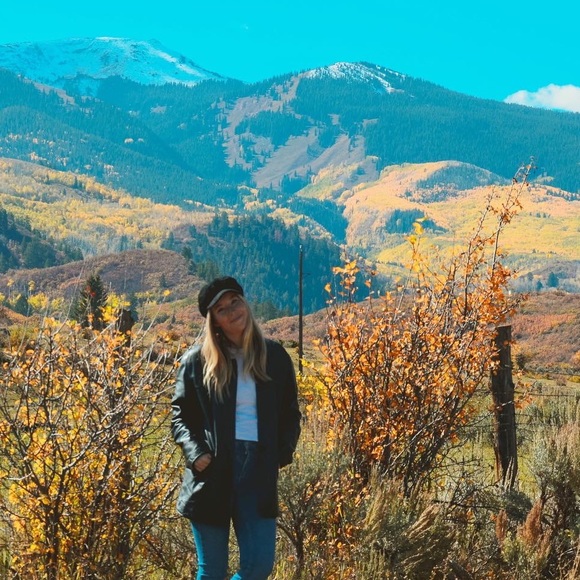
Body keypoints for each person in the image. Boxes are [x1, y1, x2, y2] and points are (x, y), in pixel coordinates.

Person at [171, 276, 301, 579]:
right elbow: (180, 416)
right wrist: (196, 454)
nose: (232, 311)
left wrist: (281, 453)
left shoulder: (275, 356)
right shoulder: (196, 361)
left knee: (258, 566)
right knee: (212, 572)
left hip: (259, 471)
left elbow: (291, 413)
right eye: (222, 309)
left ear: (245, 303)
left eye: (235, 302)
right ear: (213, 320)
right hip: (212, 473)